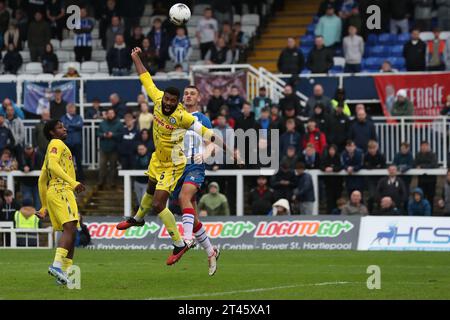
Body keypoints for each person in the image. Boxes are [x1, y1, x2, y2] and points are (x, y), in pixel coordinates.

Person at [116, 47, 225, 266]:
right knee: (151, 190)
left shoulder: (184, 117)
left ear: (177, 103)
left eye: (172, 101)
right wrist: (136, 57)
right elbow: (144, 77)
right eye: (166, 99)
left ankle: (179, 243)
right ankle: (138, 219)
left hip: (176, 164)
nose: (167, 103)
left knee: (159, 204)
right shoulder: (157, 99)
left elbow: (206, 133)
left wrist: (221, 145)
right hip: (158, 158)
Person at [36, 119, 86, 285]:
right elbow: (53, 167)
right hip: (61, 189)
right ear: (52, 132)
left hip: (55, 192)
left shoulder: (50, 151)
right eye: (59, 127)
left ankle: (64, 273)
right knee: (71, 228)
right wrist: (72, 182)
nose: (64, 129)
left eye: (63, 126)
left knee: (71, 230)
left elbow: (42, 179)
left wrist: (44, 205)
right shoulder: (56, 143)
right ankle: (57, 266)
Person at [97, 108, 122, 189]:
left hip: (114, 148)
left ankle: (112, 183)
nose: (110, 114)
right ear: (107, 114)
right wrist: (104, 135)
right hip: (103, 148)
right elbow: (97, 133)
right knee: (102, 165)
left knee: (113, 166)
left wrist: (113, 135)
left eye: (112, 113)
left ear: (114, 114)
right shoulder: (102, 123)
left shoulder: (119, 123)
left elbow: (121, 134)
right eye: (109, 113)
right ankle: (101, 182)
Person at [60, 104, 84, 181]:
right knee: (67, 162)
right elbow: (63, 127)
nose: (73, 110)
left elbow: (80, 126)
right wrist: (74, 126)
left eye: (74, 109)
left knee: (79, 162)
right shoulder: (63, 118)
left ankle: (80, 179)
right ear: (68, 109)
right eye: (71, 109)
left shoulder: (78, 117)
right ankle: (67, 178)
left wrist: (69, 126)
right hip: (67, 143)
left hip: (77, 143)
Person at [415, 141, 438, 210]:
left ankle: (430, 214)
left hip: (431, 180)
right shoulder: (418, 155)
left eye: (426, 146)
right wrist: (423, 166)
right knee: (421, 197)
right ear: (420, 147)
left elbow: (433, 165)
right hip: (421, 180)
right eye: (423, 146)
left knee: (430, 198)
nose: (424, 147)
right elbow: (415, 164)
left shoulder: (433, 155)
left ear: (428, 147)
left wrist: (422, 166)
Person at [320, 144, 343, 214]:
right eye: (330, 150)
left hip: (338, 183)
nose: (331, 151)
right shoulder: (325, 158)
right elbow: (321, 166)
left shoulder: (338, 157)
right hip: (328, 183)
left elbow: (341, 166)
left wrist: (333, 169)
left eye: (333, 150)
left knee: (338, 200)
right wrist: (325, 169)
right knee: (329, 201)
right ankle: (329, 215)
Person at [19, 144, 42, 209]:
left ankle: (37, 218)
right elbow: (18, 166)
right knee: (26, 201)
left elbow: (40, 166)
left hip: (36, 182)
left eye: (30, 149)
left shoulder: (38, 155)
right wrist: (23, 168)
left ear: (32, 148)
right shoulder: (21, 155)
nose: (28, 150)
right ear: (24, 149)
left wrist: (30, 169)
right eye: (27, 149)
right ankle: (27, 217)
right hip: (26, 183)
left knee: (38, 202)